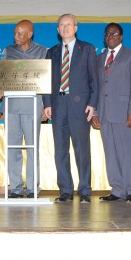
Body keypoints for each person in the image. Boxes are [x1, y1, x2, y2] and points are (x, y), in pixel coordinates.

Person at [42, 14, 98, 203]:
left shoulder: (88, 49)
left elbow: (94, 80)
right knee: (60, 150)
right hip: (58, 106)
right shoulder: (52, 52)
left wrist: (93, 104)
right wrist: (47, 104)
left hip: (80, 107)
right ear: (57, 30)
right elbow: (46, 81)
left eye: (68, 24)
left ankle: (84, 190)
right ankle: (65, 189)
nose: (65, 27)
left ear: (76, 27)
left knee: (82, 149)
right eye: (61, 25)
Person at [0, 20, 48, 199]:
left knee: (33, 149)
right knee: (12, 148)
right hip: (12, 106)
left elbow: (47, 81)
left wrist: (45, 107)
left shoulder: (43, 51)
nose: (16, 36)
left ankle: (31, 188)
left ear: (30, 34)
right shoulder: (8, 51)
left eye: (20, 33)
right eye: (15, 33)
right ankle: (15, 187)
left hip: (33, 105)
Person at [91, 23, 131, 203]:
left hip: (125, 113)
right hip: (105, 113)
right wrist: (95, 112)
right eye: (107, 34)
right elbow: (97, 88)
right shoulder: (99, 58)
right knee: (111, 153)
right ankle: (118, 189)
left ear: (121, 37)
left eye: (114, 33)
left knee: (127, 152)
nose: (110, 36)